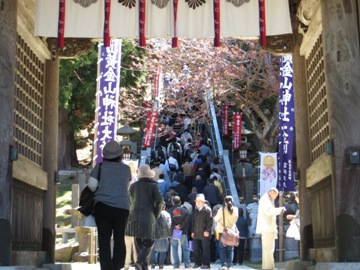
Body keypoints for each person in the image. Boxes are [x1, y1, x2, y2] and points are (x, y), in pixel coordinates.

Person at [88, 140, 132, 270]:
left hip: (103, 206)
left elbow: (91, 185)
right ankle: (118, 266)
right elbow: (127, 185)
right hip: (122, 206)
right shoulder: (126, 169)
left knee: (104, 239)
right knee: (119, 237)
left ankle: (106, 267)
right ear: (120, 155)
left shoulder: (99, 167)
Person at [125, 164, 165, 270]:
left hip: (134, 216)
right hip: (149, 216)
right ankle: (140, 261)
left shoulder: (132, 186)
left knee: (138, 241)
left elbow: (129, 201)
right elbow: (160, 201)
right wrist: (156, 213)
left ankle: (142, 265)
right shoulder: (153, 186)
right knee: (150, 240)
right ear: (149, 175)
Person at [256, 187, 286, 270]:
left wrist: (278, 210)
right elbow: (268, 211)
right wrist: (279, 210)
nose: (276, 197)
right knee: (268, 248)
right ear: (271, 192)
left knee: (269, 248)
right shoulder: (265, 199)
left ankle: (268, 266)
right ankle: (268, 267)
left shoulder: (268, 199)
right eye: (275, 195)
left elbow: (270, 211)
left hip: (268, 227)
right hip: (267, 227)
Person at [213, 196, 239, 270]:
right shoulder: (236, 210)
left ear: (225, 202)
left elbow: (216, 219)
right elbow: (235, 220)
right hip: (232, 232)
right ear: (232, 202)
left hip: (222, 231)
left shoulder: (221, 210)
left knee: (222, 249)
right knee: (230, 249)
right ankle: (230, 265)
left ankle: (223, 265)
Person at [168, 196, 191, 269]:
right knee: (185, 248)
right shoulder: (184, 210)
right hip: (183, 231)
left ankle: (176, 264)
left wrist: (175, 226)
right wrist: (180, 226)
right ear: (180, 202)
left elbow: (168, 222)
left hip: (174, 231)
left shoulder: (169, 211)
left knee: (174, 247)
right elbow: (187, 220)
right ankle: (187, 263)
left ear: (172, 202)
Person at [191, 194, 213, 269]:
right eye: (196, 201)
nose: (197, 203)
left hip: (204, 233)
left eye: (199, 201)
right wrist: (192, 231)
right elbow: (193, 222)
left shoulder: (207, 210)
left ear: (203, 202)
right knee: (196, 248)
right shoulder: (196, 210)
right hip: (196, 232)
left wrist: (207, 231)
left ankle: (206, 264)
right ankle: (197, 263)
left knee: (205, 249)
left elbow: (210, 222)